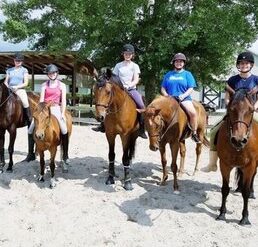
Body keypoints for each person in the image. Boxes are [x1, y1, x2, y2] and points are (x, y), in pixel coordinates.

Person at [202, 51, 258, 172]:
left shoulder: (256, 80)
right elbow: (227, 96)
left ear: (251, 65)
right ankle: (212, 163)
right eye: (241, 63)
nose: (244, 65)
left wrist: (254, 107)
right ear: (238, 65)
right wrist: (229, 105)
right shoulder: (233, 80)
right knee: (214, 130)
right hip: (234, 112)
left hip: (251, 111)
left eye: (246, 63)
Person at [93, 44, 147, 139]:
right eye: (126, 53)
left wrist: (129, 85)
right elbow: (113, 78)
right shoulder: (118, 65)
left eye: (129, 53)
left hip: (131, 89)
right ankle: (103, 125)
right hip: (119, 90)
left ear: (132, 55)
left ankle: (141, 129)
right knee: (107, 102)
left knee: (142, 105)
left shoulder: (135, 66)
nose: (127, 55)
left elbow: (136, 79)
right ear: (123, 54)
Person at [28, 64, 70, 171]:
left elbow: (63, 100)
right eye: (50, 73)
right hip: (45, 109)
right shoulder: (44, 85)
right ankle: (33, 151)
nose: (52, 74)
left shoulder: (62, 85)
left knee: (64, 129)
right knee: (31, 129)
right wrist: (39, 111)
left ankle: (65, 155)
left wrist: (62, 113)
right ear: (48, 74)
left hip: (56, 108)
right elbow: (41, 100)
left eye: (54, 73)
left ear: (57, 73)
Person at [161, 52, 200, 143]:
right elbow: (163, 88)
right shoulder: (168, 74)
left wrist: (183, 96)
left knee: (193, 113)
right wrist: (166, 95)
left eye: (181, 61)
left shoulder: (187, 74)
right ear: (174, 63)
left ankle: (194, 133)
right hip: (170, 99)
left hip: (184, 98)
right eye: (177, 61)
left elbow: (191, 88)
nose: (179, 63)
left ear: (184, 63)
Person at [4, 52, 35, 162]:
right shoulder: (9, 70)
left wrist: (17, 87)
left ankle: (28, 118)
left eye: (20, 61)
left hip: (20, 89)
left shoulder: (24, 70)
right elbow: (6, 82)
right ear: (14, 61)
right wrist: (8, 87)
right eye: (17, 60)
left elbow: (26, 83)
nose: (18, 62)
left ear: (22, 62)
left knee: (25, 102)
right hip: (9, 90)